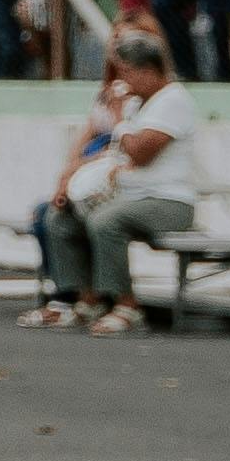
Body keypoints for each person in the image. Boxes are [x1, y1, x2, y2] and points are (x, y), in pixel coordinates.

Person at [27, 34, 199, 331]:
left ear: (147, 70)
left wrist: (119, 117)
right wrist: (73, 180)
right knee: (60, 217)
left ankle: (127, 305)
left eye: (127, 73)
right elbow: (117, 152)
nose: (123, 81)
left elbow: (140, 153)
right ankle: (86, 298)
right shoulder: (137, 105)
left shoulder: (173, 101)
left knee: (106, 221)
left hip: (169, 201)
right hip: (132, 195)